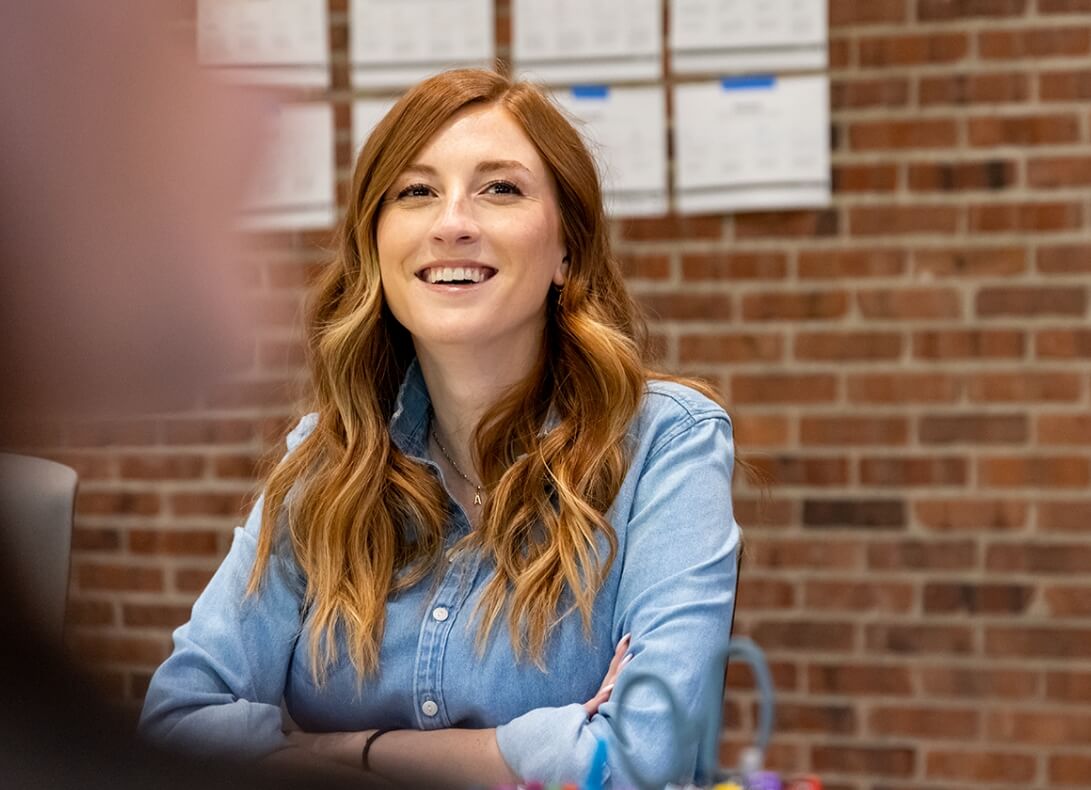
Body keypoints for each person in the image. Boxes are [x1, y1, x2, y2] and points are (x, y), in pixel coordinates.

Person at [140, 68, 742, 789]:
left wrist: (335, 751)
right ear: (375, 247)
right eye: (415, 192)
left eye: (500, 189)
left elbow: (638, 760)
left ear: (567, 253)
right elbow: (175, 724)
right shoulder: (323, 462)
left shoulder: (664, 445)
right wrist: (537, 748)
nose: (451, 222)